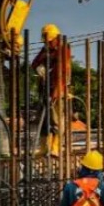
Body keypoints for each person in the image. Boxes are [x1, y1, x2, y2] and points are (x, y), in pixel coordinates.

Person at [32, 23, 72, 157]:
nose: (47, 43)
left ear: (55, 38)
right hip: (45, 89)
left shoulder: (62, 49)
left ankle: (56, 146)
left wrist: (56, 91)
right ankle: (44, 147)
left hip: (57, 89)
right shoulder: (46, 49)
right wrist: (39, 66)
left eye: (49, 41)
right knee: (43, 120)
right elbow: (34, 63)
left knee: (56, 119)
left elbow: (63, 72)